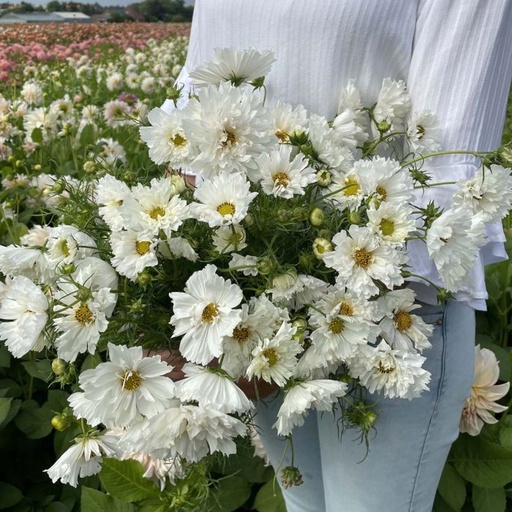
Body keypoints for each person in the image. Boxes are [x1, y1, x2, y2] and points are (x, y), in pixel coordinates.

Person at [160, 1, 512, 510]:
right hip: (249, 304)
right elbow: (193, 112)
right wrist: (185, 285)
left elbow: (450, 176)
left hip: (394, 312)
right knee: (305, 505)